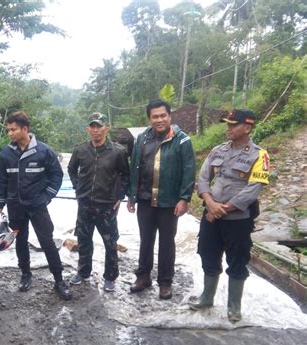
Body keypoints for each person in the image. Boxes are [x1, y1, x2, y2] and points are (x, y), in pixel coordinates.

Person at [188, 109, 269, 322]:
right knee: (208, 254)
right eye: (228, 124)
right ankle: (206, 297)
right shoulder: (217, 150)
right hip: (211, 217)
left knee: (237, 260)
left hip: (238, 221)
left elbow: (253, 189)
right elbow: (204, 177)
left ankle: (234, 307)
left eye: (233, 125)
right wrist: (209, 202)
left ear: (248, 127)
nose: (229, 128)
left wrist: (223, 208)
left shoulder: (259, 155)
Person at [0, 111, 72, 301]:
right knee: (20, 240)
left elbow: (56, 176)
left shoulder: (44, 151)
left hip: (37, 206)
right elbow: (2, 181)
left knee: (47, 241)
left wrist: (46, 197)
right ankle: (25, 274)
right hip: (15, 206)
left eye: (13, 130)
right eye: (8, 130)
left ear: (25, 129)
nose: (10, 133)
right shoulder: (6, 154)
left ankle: (59, 280)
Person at [127, 99, 196, 300]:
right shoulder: (142, 139)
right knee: (145, 240)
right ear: (149, 118)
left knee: (167, 242)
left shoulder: (182, 140)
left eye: (162, 115)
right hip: (145, 200)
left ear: (169, 116)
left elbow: (189, 170)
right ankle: (143, 277)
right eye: (155, 116)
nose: (159, 120)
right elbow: (135, 168)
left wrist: (184, 198)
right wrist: (132, 195)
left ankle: (165, 282)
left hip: (168, 201)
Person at [67, 112, 129, 292]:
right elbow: (71, 170)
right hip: (85, 204)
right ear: (88, 130)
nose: (95, 131)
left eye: (99, 127)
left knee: (110, 242)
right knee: (84, 240)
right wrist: (77, 187)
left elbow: (125, 175)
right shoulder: (80, 150)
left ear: (105, 129)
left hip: (107, 206)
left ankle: (110, 276)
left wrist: (119, 196)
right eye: (92, 127)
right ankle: (83, 271)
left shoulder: (117, 151)